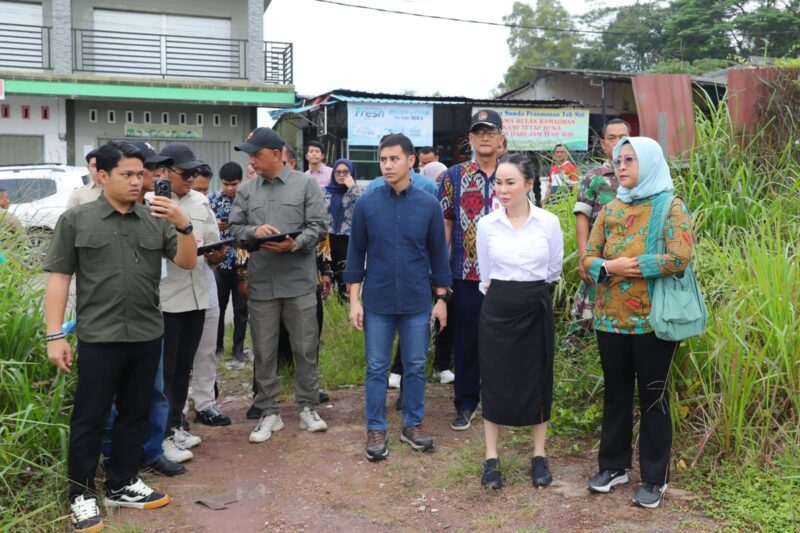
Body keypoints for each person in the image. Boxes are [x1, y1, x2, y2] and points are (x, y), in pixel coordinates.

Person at [44, 141, 197, 532]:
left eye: (140, 174)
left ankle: (122, 482)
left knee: (135, 412)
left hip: (147, 333)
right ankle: (80, 494)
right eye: (127, 174)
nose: (136, 181)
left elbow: (186, 261)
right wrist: (54, 335)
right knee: (90, 417)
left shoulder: (154, 218)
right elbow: (59, 277)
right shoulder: (77, 220)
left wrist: (183, 223)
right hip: (100, 336)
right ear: (102, 175)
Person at [582, 136, 694, 509]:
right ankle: (613, 467)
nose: (622, 166)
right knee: (615, 395)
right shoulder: (611, 209)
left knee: (653, 397)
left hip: (653, 321)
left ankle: (654, 478)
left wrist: (632, 267)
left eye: (630, 159)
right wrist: (607, 266)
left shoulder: (670, 205)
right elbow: (587, 258)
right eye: (618, 160)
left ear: (649, 161)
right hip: (609, 321)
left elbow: (680, 257)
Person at [344, 133, 451, 461]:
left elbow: (438, 255)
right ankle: (376, 428)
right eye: (383, 159)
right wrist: (354, 301)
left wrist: (441, 299)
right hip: (377, 301)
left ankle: (413, 424)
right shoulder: (367, 203)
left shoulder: (429, 205)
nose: (388, 165)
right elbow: (355, 254)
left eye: (394, 159)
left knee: (416, 366)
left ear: (411, 161)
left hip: (416, 301)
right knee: (376, 367)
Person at [229, 127, 329, 443]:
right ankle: (269, 411)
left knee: (305, 348)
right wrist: (254, 232)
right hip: (262, 285)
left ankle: (308, 406)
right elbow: (235, 228)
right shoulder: (247, 190)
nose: (251, 160)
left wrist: (295, 244)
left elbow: (319, 226)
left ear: (276, 154)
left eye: (256, 154)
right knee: (264, 351)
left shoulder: (305, 185)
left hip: (299, 283)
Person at [99, 140, 188, 476]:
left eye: (153, 169)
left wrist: (181, 223)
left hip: (149, 312)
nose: (153, 175)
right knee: (110, 394)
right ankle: (114, 456)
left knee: (154, 388)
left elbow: (184, 258)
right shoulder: (96, 211)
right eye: (148, 168)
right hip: (107, 320)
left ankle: (151, 450)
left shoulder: (158, 212)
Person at [475, 154, 563, 490]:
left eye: (510, 182)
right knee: (494, 376)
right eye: (498, 182)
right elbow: (486, 274)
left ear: (528, 184)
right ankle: (491, 457)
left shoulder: (548, 223)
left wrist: (527, 290)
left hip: (534, 304)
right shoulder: (487, 224)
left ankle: (539, 454)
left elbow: (553, 269)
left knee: (537, 376)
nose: (502, 189)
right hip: (497, 307)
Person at [438, 109, 504, 431]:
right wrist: (441, 275)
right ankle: (466, 403)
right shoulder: (453, 176)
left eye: (490, 131)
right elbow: (445, 225)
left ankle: (501, 402)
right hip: (466, 275)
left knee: (504, 341)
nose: (485, 137)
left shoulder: (514, 172)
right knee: (466, 341)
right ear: (470, 139)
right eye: (479, 132)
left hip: (507, 275)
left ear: (501, 138)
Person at [157, 143, 220, 454]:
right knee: (166, 371)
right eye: (185, 174)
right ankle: (163, 433)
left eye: (194, 173)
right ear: (166, 171)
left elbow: (213, 245)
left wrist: (217, 252)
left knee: (184, 367)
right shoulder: (154, 204)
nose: (191, 179)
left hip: (198, 297)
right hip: (168, 299)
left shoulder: (201, 201)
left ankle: (177, 425)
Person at [567, 119, 631, 342]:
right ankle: (575, 356)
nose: (617, 142)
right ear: (603, 144)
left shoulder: (640, 176)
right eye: (612, 138)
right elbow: (582, 218)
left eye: (623, 137)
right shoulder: (594, 177)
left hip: (629, 260)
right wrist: (584, 258)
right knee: (583, 319)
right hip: (597, 259)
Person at [190, 168, 232, 426]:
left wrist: (216, 255)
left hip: (205, 286)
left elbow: (214, 248)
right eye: (197, 188)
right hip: (174, 291)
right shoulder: (161, 205)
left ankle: (205, 404)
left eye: (205, 189)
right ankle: (175, 411)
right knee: (177, 357)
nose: (201, 194)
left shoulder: (205, 206)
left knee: (206, 351)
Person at [209, 162, 249, 362]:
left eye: (234, 184)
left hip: (242, 262)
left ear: (241, 182)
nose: (230, 188)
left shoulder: (248, 200)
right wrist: (215, 225)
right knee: (219, 306)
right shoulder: (212, 201)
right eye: (226, 184)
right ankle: (217, 347)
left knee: (242, 307)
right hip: (219, 263)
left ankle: (238, 349)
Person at [324, 158, 363, 298]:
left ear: (351, 173)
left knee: (345, 281)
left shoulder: (357, 192)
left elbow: (364, 207)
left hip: (348, 241)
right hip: (327, 241)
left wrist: (352, 187)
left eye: (346, 172)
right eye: (338, 172)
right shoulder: (326, 192)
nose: (341, 175)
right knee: (327, 280)